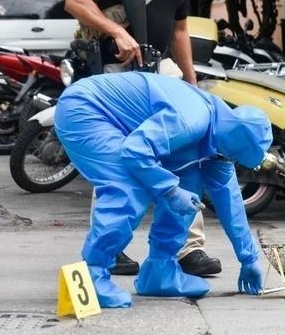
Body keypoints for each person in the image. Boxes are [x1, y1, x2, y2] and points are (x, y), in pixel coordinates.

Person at [64, 0, 218, 276]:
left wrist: (192, 82)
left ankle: (188, 248)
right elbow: (76, 0)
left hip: (161, 74)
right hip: (117, 78)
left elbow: (180, 30)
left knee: (185, 154)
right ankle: (111, 246)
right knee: (115, 161)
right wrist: (115, 30)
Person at [54, 72, 272, 307]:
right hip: (86, 109)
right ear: (232, 143)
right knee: (128, 187)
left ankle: (161, 269)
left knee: (190, 185)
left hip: (119, 123)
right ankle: (92, 274)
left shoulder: (221, 139)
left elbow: (230, 202)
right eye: (234, 158)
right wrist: (170, 191)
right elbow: (135, 151)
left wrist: (249, 259)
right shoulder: (192, 120)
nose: (230, 163)